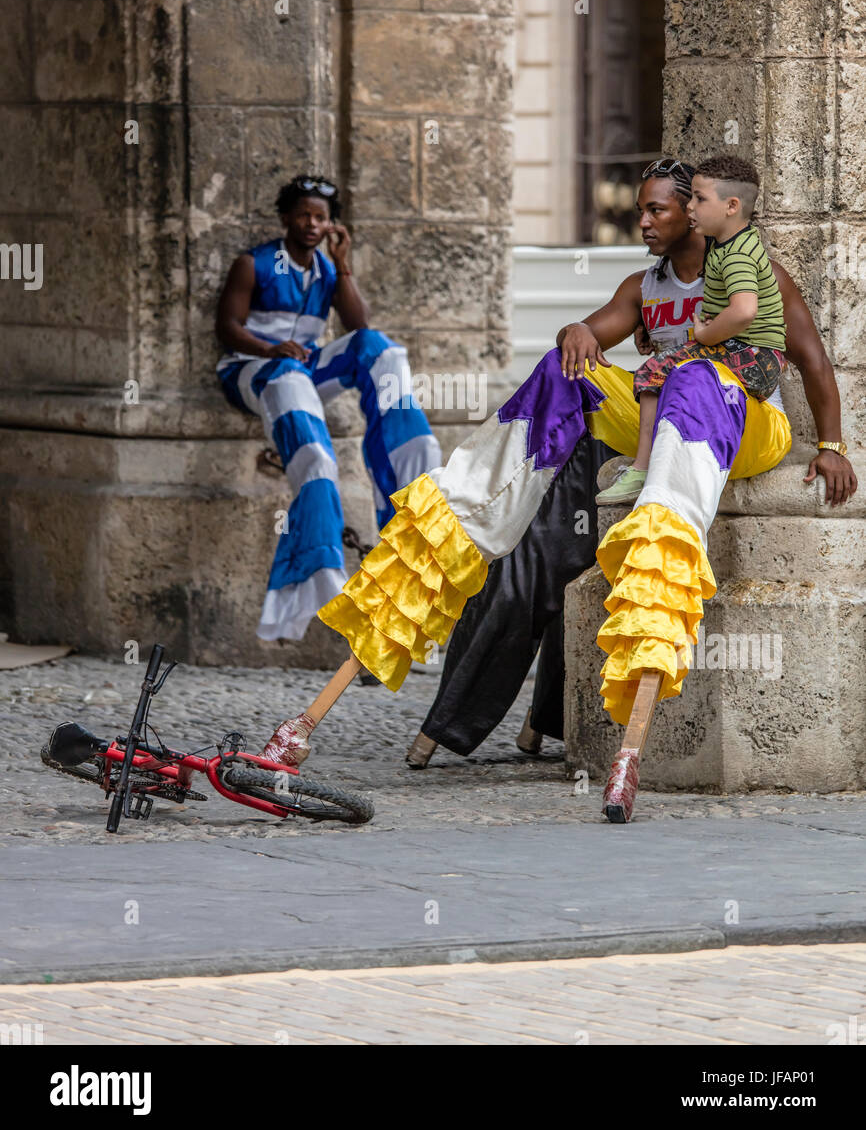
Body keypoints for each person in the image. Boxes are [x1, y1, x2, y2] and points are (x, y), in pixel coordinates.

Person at [305, 158, 855, 755]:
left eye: (658, 210)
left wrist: (831, 446)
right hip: (662, 413)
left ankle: (659, 563)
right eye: (640, 210)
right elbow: (597, 332)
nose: (642, 222)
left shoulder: (755, 270)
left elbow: (813, 361)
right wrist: (576, 332)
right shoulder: (644, 286)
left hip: (746, 420)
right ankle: (462, 513)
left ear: (695, 214)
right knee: (563, 375)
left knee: (694, 381)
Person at [215, 173, 441, 643]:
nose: (311, 223)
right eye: (303, 214)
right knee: (315, 449)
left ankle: (413, 487)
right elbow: (227, 328)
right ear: (285, 218)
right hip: (254, 370)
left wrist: (345, 266)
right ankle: (318, 571)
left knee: (381, 349)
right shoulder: (252, 263)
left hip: (304, 369)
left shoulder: (327, 269)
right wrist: (270, 349)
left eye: (320, 217)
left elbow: (358, 326)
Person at [598, 156, 787, 505]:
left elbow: (744, 311)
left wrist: (705, 335)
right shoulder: (732, 251)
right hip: (745, 367)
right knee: (675, 372)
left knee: (665, 371)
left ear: (730, 207)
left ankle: (643, 467)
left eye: (699, 200)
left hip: (754, 364)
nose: (692, 209)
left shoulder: (736, 255)